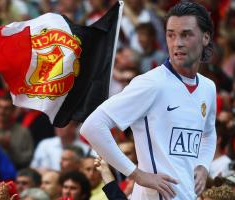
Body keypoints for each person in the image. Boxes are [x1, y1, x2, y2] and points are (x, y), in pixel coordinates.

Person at [80, 2, 217, 200]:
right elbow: (92, 126)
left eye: (186, 34)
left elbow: (209, 134)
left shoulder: (208, 87)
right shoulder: (151, 83)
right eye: (171, 34)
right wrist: (136, 174)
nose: (177, 42)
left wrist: (203, 165)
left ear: (205, 37)